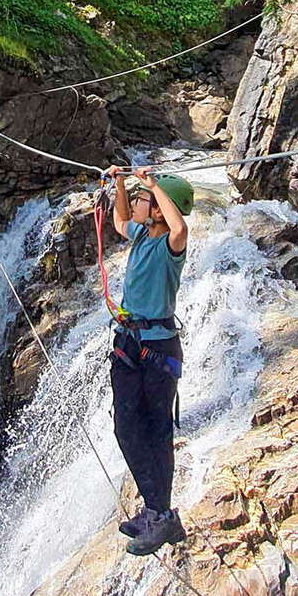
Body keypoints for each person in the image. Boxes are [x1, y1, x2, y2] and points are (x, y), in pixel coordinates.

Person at [105, 164, 195, 556]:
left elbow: (180, 230)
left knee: (158, 433)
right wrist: (122, 185)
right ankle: (155, 511)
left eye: (147, 201)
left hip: (157, 350)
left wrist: (154, 186)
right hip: (129, 344)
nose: (139, 205)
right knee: (126, 428)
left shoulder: (169, 248)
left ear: (160, 208)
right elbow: (120, 219)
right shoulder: (141, 236)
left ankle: (160, 514)